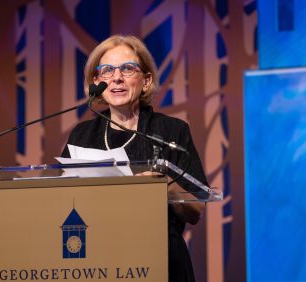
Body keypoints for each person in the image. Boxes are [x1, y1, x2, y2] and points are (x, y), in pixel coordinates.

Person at [61, 34, 209, 282]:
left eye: (128, 69)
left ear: (146, 80)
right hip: (99, 264)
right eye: (106, 71)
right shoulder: (83, 135)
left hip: (162, 262)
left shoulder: (171, 131)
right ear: (96, 82)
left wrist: (163, 187)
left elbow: (196, 210)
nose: (116, 78)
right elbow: (61, 200)